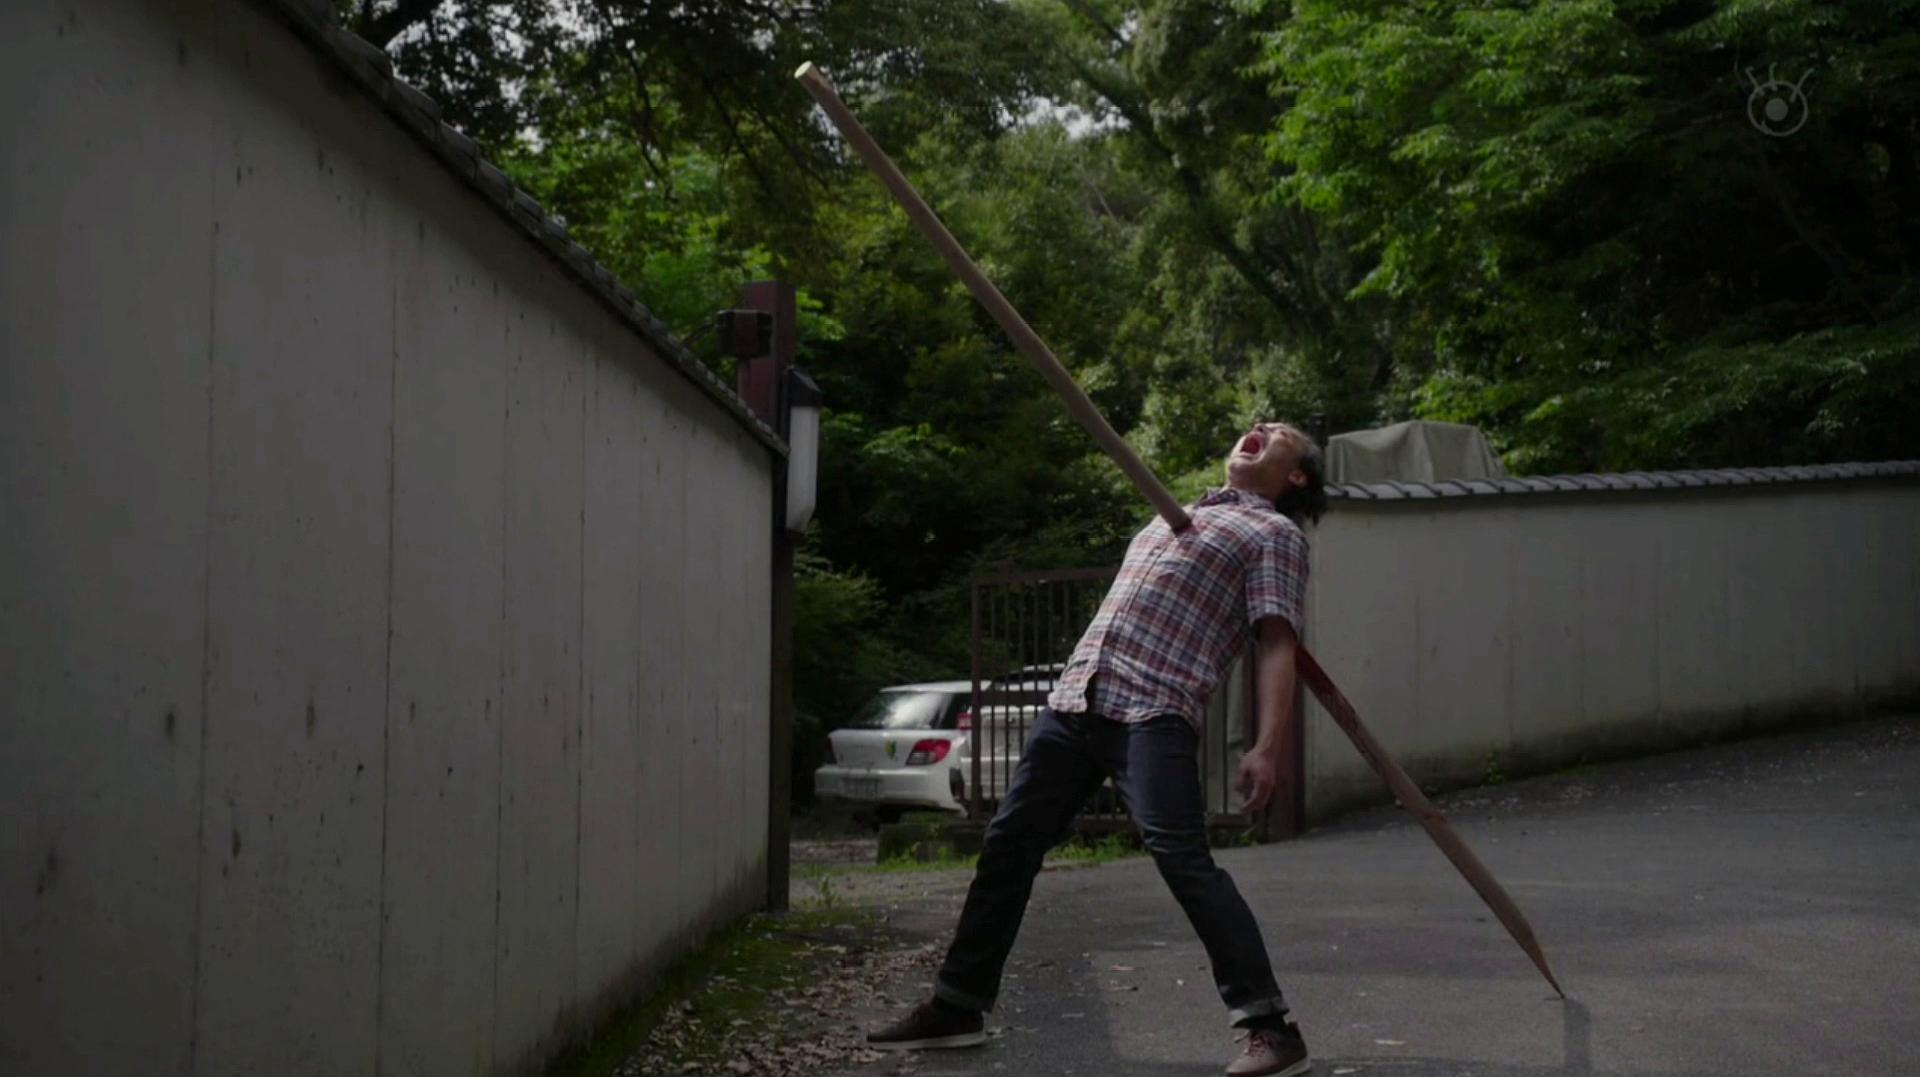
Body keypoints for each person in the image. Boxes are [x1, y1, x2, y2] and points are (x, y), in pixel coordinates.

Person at [866, 422, 1327, 1077]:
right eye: (1258, 423)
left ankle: (1270, 1025)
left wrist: (1268, 744)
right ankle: (958, 1004)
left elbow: (1278, 642)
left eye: (1279, 432)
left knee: (1183, 859)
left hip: (1155, 710)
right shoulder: (1179, 511)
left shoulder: (1272, 534)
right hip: (1076, 700)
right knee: (1008, 842)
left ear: (1297, 476)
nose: (1259, 428)